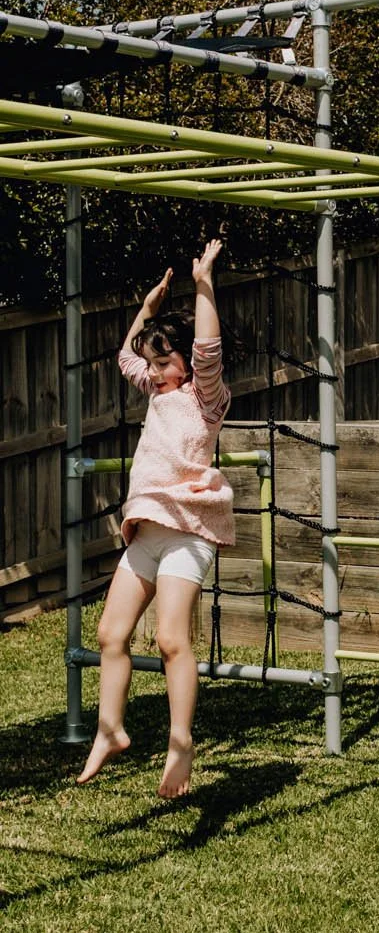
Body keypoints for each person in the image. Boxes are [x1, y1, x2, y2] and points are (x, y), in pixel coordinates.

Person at [77, 240, 235, 800]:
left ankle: (180, 740)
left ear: (186, 361)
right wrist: (147, 308)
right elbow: (126, 358)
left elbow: (210, 347)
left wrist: (203, 284)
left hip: (188, 532)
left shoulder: (204, 398)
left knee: (171, 639)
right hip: (146, 530)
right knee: (110, 633)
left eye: (165, 362)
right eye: (153, 364)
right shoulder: (155, 387)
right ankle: (110, 728)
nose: (156, 372)